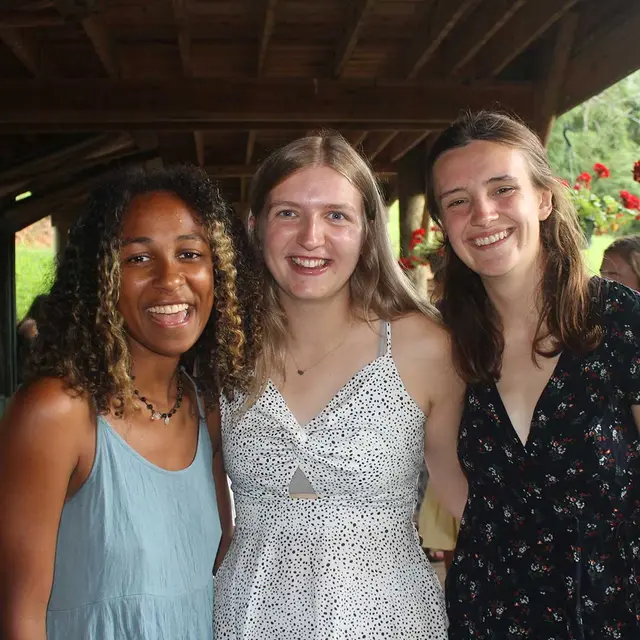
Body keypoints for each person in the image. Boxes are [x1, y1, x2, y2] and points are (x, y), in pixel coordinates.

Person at [213, 132, 466, 639]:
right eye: (288, 213)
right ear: (254, 225)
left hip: (390, 621)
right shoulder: (222, 349)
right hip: (249, 618)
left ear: (367, 230)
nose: (311, 237)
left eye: (336, 215)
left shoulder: (425, 347)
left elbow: (473, 504)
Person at [0, 165, 262, 640]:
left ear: (217, 271)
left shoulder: (206, 408)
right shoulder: (56, 412)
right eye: (138, 259)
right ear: (100, 280)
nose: (171, 278)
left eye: (189, 254)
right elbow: (18, 618)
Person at [425, 110, 640, 639]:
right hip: (490, 613)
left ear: (543, 198)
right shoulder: (442, 344)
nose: (482, 214)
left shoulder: (620, 321)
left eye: (503, 189)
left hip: (613, 610)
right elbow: (448, 481)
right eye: (458, 201)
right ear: (443, 224)